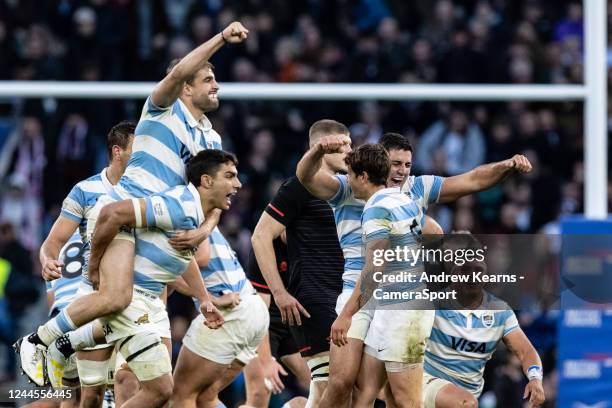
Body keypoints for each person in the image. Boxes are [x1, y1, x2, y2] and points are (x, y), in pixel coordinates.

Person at [16, 20, 248, 376]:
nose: (217, 85)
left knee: (145, 341)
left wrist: (206, 228)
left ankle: (66, 344)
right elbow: (177, 73)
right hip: (128, 216)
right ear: (185, 87)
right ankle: (41, 341)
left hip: (162, 226)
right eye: (207, 79)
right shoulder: (162, 108)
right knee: (116, 301)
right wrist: (219, 39)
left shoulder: (212, 141)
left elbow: (216, 193)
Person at [296, 132, 533, 407]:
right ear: (381, 163)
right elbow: (305, 177)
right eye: (396, 164)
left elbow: (473, 180)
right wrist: (317, 151)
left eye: (407, 165)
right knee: (343, 383)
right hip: (358, 294)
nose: (402, 171)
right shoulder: (349, 185)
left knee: (385, 395)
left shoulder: (414, 190)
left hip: (394, 302)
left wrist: (506, 166)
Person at [68, 149, 234, 407]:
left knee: (155, 391)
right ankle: (53, 339)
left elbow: (181, 256)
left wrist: (204, 297)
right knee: (102, 393)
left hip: (153, 304)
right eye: (230, 176)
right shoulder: (170, 201)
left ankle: (60, 339)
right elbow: (109, 216)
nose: (238, 184)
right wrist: (93, 267)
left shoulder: (187, 205)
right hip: (123, 298)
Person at [251, 120, 347, 407]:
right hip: (313, 301)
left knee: (339, 390)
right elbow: (260, 236)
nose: (349, 152)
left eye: (351, 146)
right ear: (321, 147)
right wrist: (280, 294)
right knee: (332, 386)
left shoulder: (348, 192)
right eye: (341, 146)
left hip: (342, 300)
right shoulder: (299, 187)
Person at [423, 232, 545, 408]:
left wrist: (535, 379)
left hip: (468, 396)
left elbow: (526, 351)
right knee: (465, 402)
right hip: (429, 384)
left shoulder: (500, 312)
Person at [242, 235, 310, 408]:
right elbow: (259, 311)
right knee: (259, 393)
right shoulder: (263, 245)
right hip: (262, 323)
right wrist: (265, 361)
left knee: (325, 388)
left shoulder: (311, 242)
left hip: (294, 321)